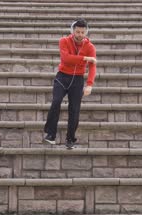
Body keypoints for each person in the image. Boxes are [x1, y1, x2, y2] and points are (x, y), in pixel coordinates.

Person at [43, 18, 97, 149]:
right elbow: (66, 59)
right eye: (77, 32)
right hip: (62, 77)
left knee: (74, 110)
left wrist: (89, 84)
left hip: (77, 80)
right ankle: (50, 135)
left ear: (86, 32)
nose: (80, 35)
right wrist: (85, 58)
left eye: (82, 32)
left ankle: (70, 139)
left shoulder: (90, 47)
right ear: (73, 31)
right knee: (56, 102)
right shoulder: (64, 41)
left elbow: (93, 66)